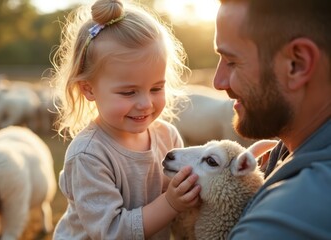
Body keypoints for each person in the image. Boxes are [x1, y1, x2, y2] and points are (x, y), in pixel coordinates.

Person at [50, 0, 201, 239]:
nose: (145, 103)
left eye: (156, 88)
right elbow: (111, 231)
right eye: (129, 92)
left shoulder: (167, 136)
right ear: (88, 89)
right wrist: (171, 203)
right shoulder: (88, 155)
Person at [213, 0, 331, 239]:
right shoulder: (290, 147)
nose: (218, 82)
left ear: (296, 65)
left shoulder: (282, 222)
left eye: (232, 62)